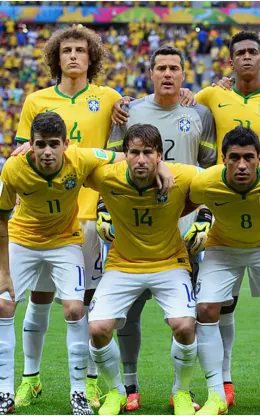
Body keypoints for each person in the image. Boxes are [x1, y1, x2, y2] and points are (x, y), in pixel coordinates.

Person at [113, 31, 260, 409]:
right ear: (229, 61)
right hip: (202, 217)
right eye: (240, 53)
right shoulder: (205, 99)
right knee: (215, 306)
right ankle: (221, 386)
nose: (247, 57)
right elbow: (137, 147)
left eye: (253, 52)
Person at [9, 26, 122, 408]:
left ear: (92, 58)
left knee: (84, 304)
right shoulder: (36, 101)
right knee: (38, 300)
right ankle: (31, 378)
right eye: (67, 50)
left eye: (81, 50)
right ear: (56, 58)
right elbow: (21, 155)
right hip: (42, 218)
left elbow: (122, 152)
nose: (73, 55)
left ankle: (87, 383)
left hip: (90, 216)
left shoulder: (109, 98)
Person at [0, 112, 127, 415]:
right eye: (40, 145)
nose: (47, 152)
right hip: (22, 240)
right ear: (31, 146)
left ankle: (78, 392)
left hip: (65, 242)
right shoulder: (13, 168)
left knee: (76, 309)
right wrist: (4, 274)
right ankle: (4, 394)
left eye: (54, 144)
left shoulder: (80, 158)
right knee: (1, 305)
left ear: (66, 144)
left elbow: (121, 156)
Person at [104, 44, 216, 412]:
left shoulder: (200, 112)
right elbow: (113, 167)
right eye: (161, 68)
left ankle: (182, 389)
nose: (167, 74)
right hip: (133, 226)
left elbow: (211, 174)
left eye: (174, 68)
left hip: (183, 233)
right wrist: (106, 208)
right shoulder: (129, 110)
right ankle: (130, 385)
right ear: (150, 73)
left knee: (187, 317)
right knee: (127, 314)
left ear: (185, 75)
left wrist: (205, 216)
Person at [85, 124, 200, 416]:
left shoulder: (183, 175)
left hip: (170, 262)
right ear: (124, 155)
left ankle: (181, 392)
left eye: (148, 153)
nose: (140, 159)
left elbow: (217, 181)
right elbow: (73, 157)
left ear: (159, 154)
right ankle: (116, 393)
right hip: (122, 264)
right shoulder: (107, 177)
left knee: (185, 326)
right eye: (134, 152)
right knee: (97, 330)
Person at [188, 127, 260, 416]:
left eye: (249, 157)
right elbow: (191, 198)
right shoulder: (205, 182)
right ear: (222, 159)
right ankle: (217, 394)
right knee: (207, 309)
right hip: (223, 247)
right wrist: (201, 217)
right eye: (234, 157)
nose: (241, 165)